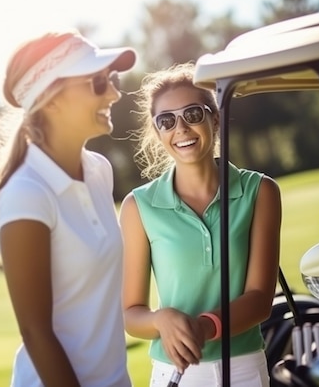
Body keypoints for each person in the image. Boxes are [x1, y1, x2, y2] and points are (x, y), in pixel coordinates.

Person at [0, 30, 136, 387]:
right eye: (97, 82)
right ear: (50, 98)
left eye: (111, 79)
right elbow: (36, 333)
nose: (114, 92)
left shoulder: (99, 171)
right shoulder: (26, 194)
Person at [119, 62, 282, 386]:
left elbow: (260, 299)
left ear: (215, 117)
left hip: (244, 369)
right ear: (158, 131)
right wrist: (160, 320)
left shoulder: (260, 191)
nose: (180, 129)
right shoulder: (138, 206)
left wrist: (206, 327)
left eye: (192, 114)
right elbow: (131, 315)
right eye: (166, 121)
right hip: (173, 372)